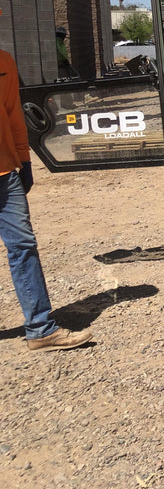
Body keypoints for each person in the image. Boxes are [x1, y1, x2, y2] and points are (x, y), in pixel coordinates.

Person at [0, 49, 92, 351]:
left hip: (5, 173)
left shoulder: (4, 62)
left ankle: (40, 329)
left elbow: (13, 113)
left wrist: (24, 159)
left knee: (23, 247)